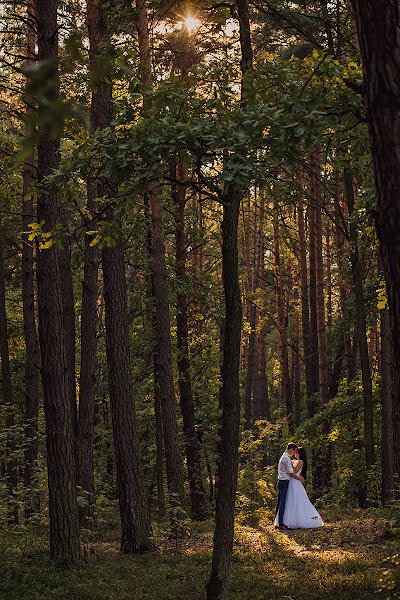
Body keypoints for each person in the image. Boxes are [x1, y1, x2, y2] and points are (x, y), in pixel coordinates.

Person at [274, 446, 323, 529]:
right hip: (291, 481)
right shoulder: (292, 460)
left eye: (296, 452)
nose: (295, 454)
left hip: (294, 482)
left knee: (296, 500)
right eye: (295, 452)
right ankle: (284, 520)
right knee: (289, 500)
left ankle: (295, 519)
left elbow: (294, 472)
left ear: (299, 454)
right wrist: (291, 463)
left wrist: (292, 465)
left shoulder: (300, 462)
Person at [274, 443, 304, 529]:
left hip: (281, 481)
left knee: (280, 501)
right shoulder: (286, 458)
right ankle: (280, 524)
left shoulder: (285, 457)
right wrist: (299, 478)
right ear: (291, 449)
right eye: (294, 451)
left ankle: (277, 522)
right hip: (284, 482)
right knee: (282, 502)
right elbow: (291, 473)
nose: (294, 453)